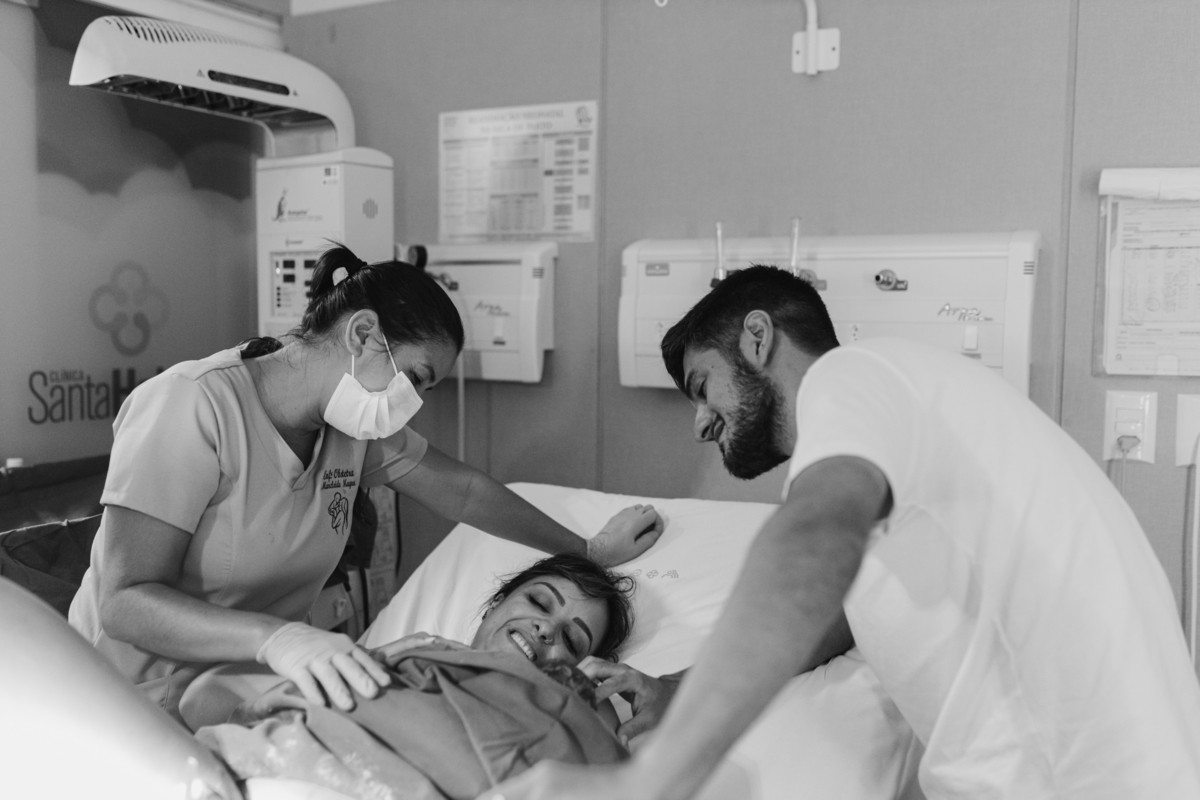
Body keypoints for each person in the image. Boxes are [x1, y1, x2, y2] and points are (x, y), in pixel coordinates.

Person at [489, 265, 1200, 800]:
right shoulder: (912, 420)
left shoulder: (855, 379)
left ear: (758, 337)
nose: (701, 424)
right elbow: (837, 609)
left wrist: (656, 776)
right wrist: (676, 687)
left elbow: (809, 546)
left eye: (703, 387)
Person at [69, 245, 663, 723]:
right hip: (123, 701)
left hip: (252, 688)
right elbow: (124, 602)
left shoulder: (346, 428)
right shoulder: (190, 407)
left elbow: (463, 492)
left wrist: (585, 551)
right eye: (416, 378)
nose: (414, 402)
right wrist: (278, 640)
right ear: (362, 334)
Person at [193, 554, 635, 800]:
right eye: (539, 602)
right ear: (495, 604)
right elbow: (212, 702)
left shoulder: (566, 712)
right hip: (263, 771)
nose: (546, 628)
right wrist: (371, 660)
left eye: (571, 640)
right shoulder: (407, 653)